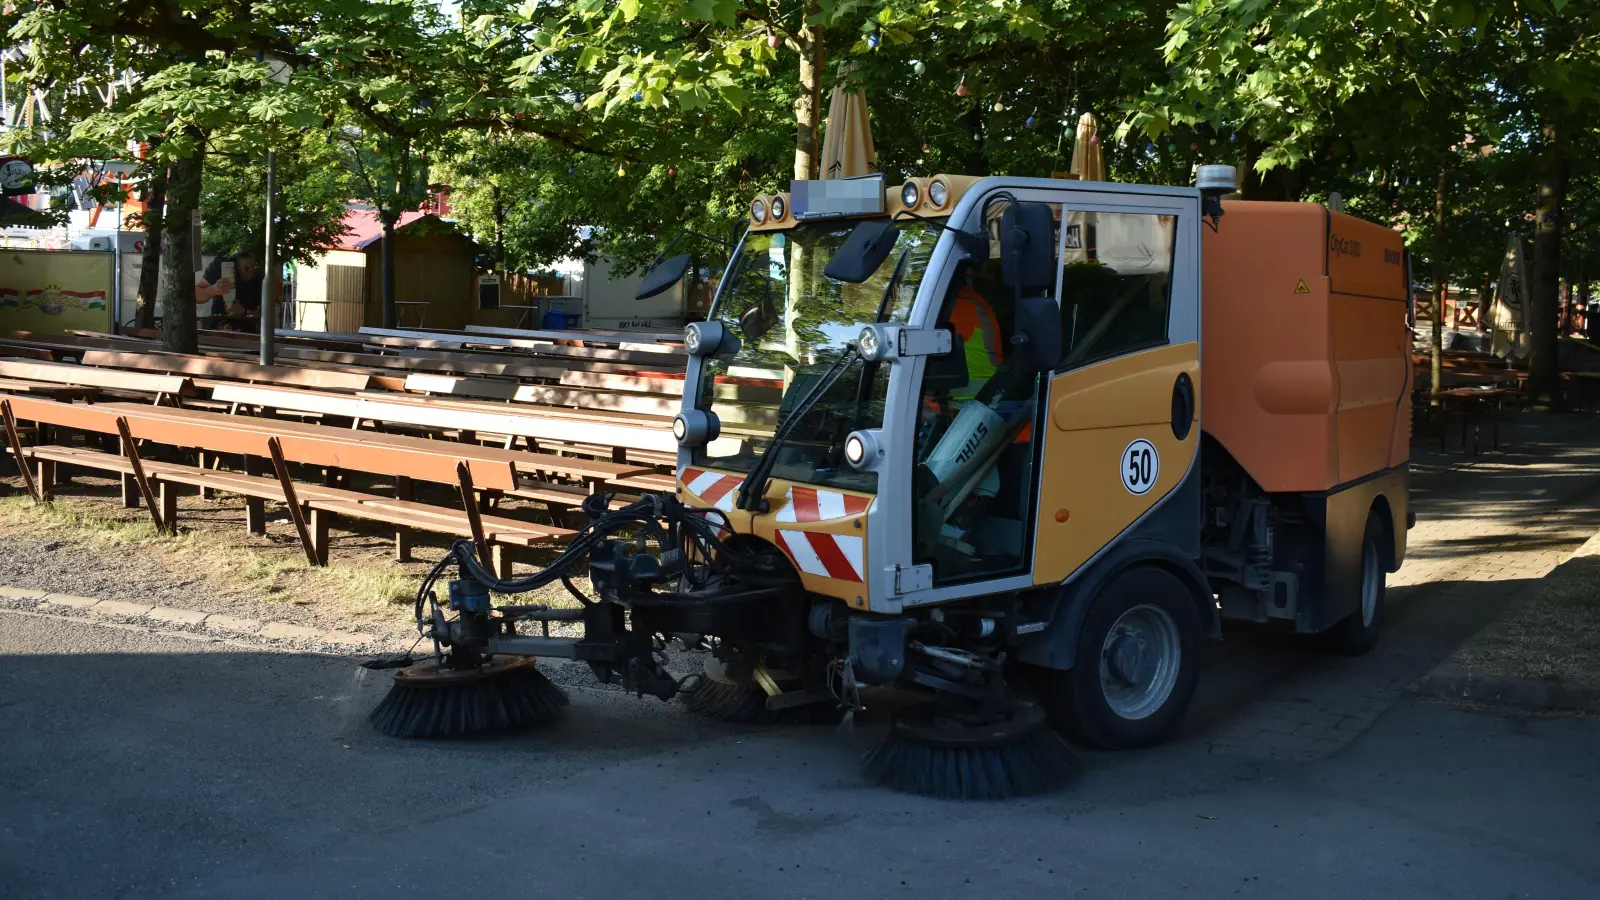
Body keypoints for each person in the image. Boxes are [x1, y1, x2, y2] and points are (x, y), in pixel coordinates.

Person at [195, 251, 263, 332]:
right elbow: (196, 295)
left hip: (247, 333)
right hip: (218, 328)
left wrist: (244, 311)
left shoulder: (265, 274)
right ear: (239, 257)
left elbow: (269, 317)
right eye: (248, 268)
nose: (250, 276)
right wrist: (213, 289)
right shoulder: (223, 261)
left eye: (255, 271)